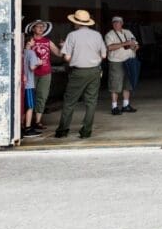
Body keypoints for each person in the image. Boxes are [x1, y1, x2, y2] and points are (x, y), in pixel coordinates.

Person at [55, 9, 107, 139]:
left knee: (69, 101)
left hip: (78, 72)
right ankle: (86, 131)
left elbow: (66, 58)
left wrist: (64, 47)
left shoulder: (72, 35)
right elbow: (104, 55)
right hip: (95, 71)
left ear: (76, 23)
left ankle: (63, 130)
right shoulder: (97, 35)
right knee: (91, 102)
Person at [24, 19, 59, 131]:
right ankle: (26, 122)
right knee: (28, 96)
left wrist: (64, 46)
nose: (40, 28)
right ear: (33, 28)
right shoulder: (28, 41)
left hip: (45, 73)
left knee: (42, 96)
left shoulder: (47, 41)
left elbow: (58, 53)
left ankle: (37, 121)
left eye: (42, 27)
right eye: (38, 26)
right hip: (31, 73)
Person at [104, 15, 139, 115]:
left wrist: (135, 46)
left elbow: (136, 44)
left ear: (122, 23)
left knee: (127, 84)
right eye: (114, 22)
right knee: (115, 84)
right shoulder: (109, 35)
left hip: (129, 61)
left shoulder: (128, 32)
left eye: (118, 22)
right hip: (116, 62)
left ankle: (126, 105)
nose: (116, 24)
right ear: (112, 24)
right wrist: (125, 43)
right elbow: (109, 48)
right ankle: (114, 106)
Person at [21, 38, 42, 138]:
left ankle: (20, 127)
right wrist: (39, 63)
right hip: (29, 83)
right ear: (29, 42)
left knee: (22, 107)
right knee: (30, 107)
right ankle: (28, 128)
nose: (34, 43)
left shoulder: (20, 52)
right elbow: (32, 67)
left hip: (20, 84)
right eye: (33, 41)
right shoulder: (31, 53)